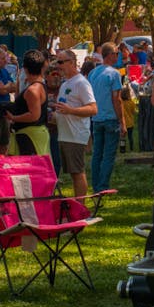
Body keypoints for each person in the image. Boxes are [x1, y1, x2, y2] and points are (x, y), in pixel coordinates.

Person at [52, 51, 96, 197]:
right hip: (65, 135)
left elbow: (93, 109)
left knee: (78, 172)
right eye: (57, 62)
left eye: (61, 62)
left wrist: (70, 110)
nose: (58, 66)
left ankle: (81, 206)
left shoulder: (81, 83)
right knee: (73, 173)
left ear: (72, 62)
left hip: (75, 135)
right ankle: (78, 205)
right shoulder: (65, 84)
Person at [89, 43, 126, 193]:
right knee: (109, 154)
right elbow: (117, 99)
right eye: (116, 53)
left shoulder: (93, 73)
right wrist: (122, 121)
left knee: (97, 153)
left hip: (96, 118)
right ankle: (103, 186)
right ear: (110, 55)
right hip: (110, 118)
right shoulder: (114, 74)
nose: (118, 56)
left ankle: (95, 184)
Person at [5, 50, 50, 156]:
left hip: (30, 136)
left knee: (30, 166)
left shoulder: (33, 90)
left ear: (25, 68)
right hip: (31, 134)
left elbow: (34, 115)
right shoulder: (39, 85)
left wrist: (13, 118)